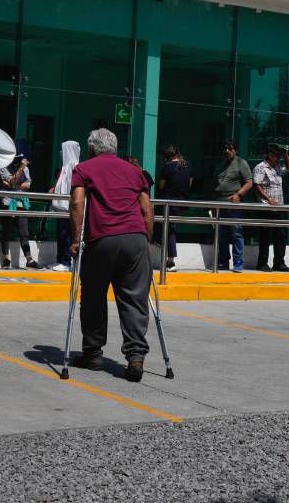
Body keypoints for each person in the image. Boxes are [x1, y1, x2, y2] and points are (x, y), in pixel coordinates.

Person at [68, 128, 154, 382]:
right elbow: (146, 208)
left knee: (94, 296)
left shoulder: (84, 169)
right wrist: (145, 240)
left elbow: (76, 203)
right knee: (134, 298)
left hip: (102, 239)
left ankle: (93, 354)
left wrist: (75, 240)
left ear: (92, 148)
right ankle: (136, 357)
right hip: (135, 238)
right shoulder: (134, 171)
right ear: (114, 148)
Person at [253, 145, 289, 272]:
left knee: (280, 236)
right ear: (269, 155)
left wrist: (286, 154)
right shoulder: (260, 167)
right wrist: (269, 199)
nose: (278, 157)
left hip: (279, 208)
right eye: (276, 155)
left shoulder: (277, 167)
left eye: (279, 155)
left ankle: (279, 263)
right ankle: (262, 263)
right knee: (265, 237)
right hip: (266, 207)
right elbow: (257, 185)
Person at [214, 139, 252, 272]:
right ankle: (223, 262)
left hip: (234, 204)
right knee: (221, 234)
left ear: (235, 150)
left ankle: (238, 263)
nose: (227, 151)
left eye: (230, 148)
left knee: (236, 233)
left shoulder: (241, 163)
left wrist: (239, 195)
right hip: (220, 203)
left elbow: (249, 182)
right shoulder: (221, 165)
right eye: (225, 148)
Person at [156, 144, 192, 272]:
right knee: (170, 228)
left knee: (169, 230)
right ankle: (168, 258)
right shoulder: (187, 165)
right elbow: (189, 183)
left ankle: (170, 262)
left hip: (169, 203)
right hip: (182, 202)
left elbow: (161, 186)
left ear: (166, 156)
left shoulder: (167, 167)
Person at [46, 140, 81, 271]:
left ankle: (67, 261)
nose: (61, 153)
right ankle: (60, 259)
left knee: (67, 233)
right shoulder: (64, 168)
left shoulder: (74, 168)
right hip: (61, 207)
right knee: (61, 233)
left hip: (69, 207)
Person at [0, 154, 38, 269]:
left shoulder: (25, 167)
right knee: (7, 231)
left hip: (21, 202)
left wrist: (14, 184)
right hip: (8, 202)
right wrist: (20, 170)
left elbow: (28, 184)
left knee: (24, 232)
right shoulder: (3, 166)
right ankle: (6, 258)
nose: (20, 161)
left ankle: (29, 259)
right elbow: (10, 183)